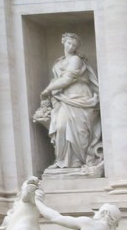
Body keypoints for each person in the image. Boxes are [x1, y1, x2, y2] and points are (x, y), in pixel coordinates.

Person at [35, 32, 103, 172]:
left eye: (74, 45)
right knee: (61, 127)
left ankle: (77, 161)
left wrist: (47, 90)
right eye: (69, 43)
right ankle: (62, 161)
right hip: (63, 99)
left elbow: (67, 79)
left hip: (80, 96)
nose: (71, 46)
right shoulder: (58, 63)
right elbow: (59, 80)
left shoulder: (76, 60)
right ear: (63, 42)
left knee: (80, 130)